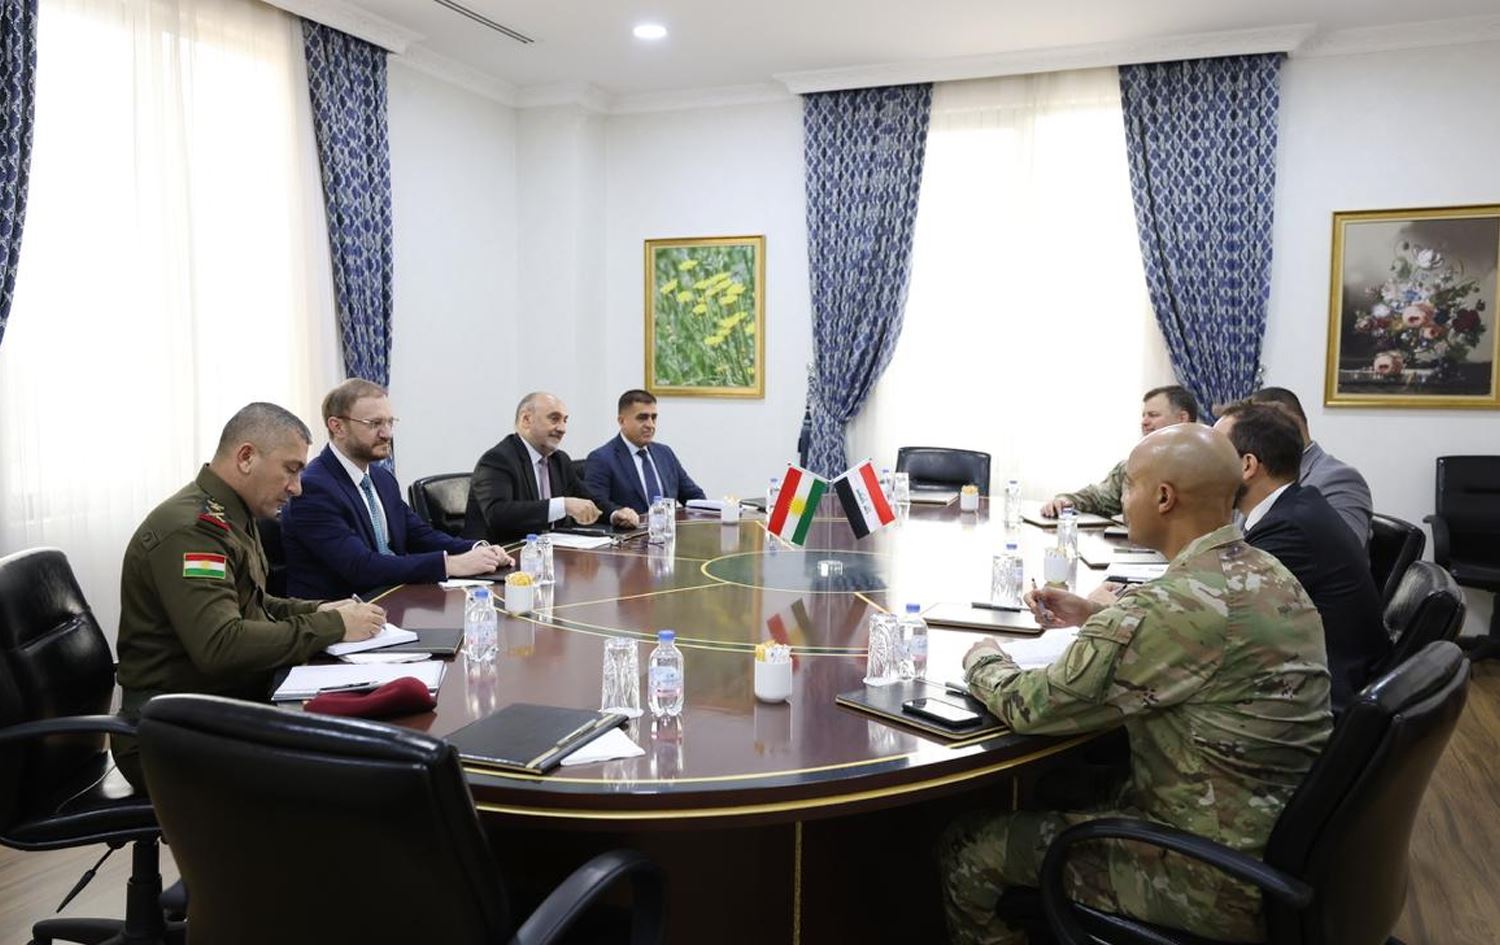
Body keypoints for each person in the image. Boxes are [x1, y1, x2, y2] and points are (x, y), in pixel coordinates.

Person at [940, 424, 1331, 945]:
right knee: (1055, 785)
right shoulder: (1268, 571)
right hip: (1273, 838)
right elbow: (1190, 636)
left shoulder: (1170, 606)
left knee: (968, 845)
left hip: (1212, 879)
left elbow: (1033, 707)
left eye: (1128, 486)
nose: (1121, 499)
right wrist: (1095, 614)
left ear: (1164, 498)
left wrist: (982, 658)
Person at [112, 403, 388, 790]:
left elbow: (252, 604)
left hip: (217, 708)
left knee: (364, 731)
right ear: (246, 457)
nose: (297, 487)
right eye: (291, 469)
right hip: (171, 736)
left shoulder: (232, 513)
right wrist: (332, 625)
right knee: (348, 773)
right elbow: (221, 644)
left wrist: (319, 608)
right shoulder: (193, 531)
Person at [1215, 402, 1389, 712]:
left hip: (1319, 701)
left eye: (1213, 454)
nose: (1203, 465)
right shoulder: (1297, 506)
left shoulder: (1288, 530)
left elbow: (1218, 618)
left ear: (1247, 465)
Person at [280, 379, 512, 600]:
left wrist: (478, 549)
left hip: (393, 600)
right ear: (337, 427)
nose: (387, 434)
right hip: (341, 613)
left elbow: (419, 535)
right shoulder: (313, 487)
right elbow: (360, 566)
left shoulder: (382, 478)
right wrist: (450, 564)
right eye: (374, 424)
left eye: (390, 422)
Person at [463, 391, 633, 544]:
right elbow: (497, 514)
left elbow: (587, 499)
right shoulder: (498, 459)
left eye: (565, 420)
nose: (562, 429)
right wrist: (562, 505)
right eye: (554, 419)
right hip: (501, 555)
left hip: (551, 553)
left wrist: (615, 514)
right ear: (526, 420)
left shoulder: (559, 460)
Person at [1040, 385, 1198, 518]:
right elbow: (1098, 497)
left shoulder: (1204, 467)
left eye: (1153, 415)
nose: (1144, 422)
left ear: (1182, 418)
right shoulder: (1132, 466)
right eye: (1143, 416)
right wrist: (1066, 501)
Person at [1247, 386, 1372, 546]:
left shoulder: (1340, 479)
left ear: (1289, 426)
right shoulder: (1256, 474)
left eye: (1251, 432)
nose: (1246, 443)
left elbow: (1341, 550)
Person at [584, 389, 706, 518]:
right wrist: (618, 514)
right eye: (642, 418)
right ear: (622, 421)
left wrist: (710, 513)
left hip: (668, 529)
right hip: (630, 529)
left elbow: (693, 495)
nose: (650, 425)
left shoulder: (665, 453)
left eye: (653, 417)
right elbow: (596, 504)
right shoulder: (601, 458)